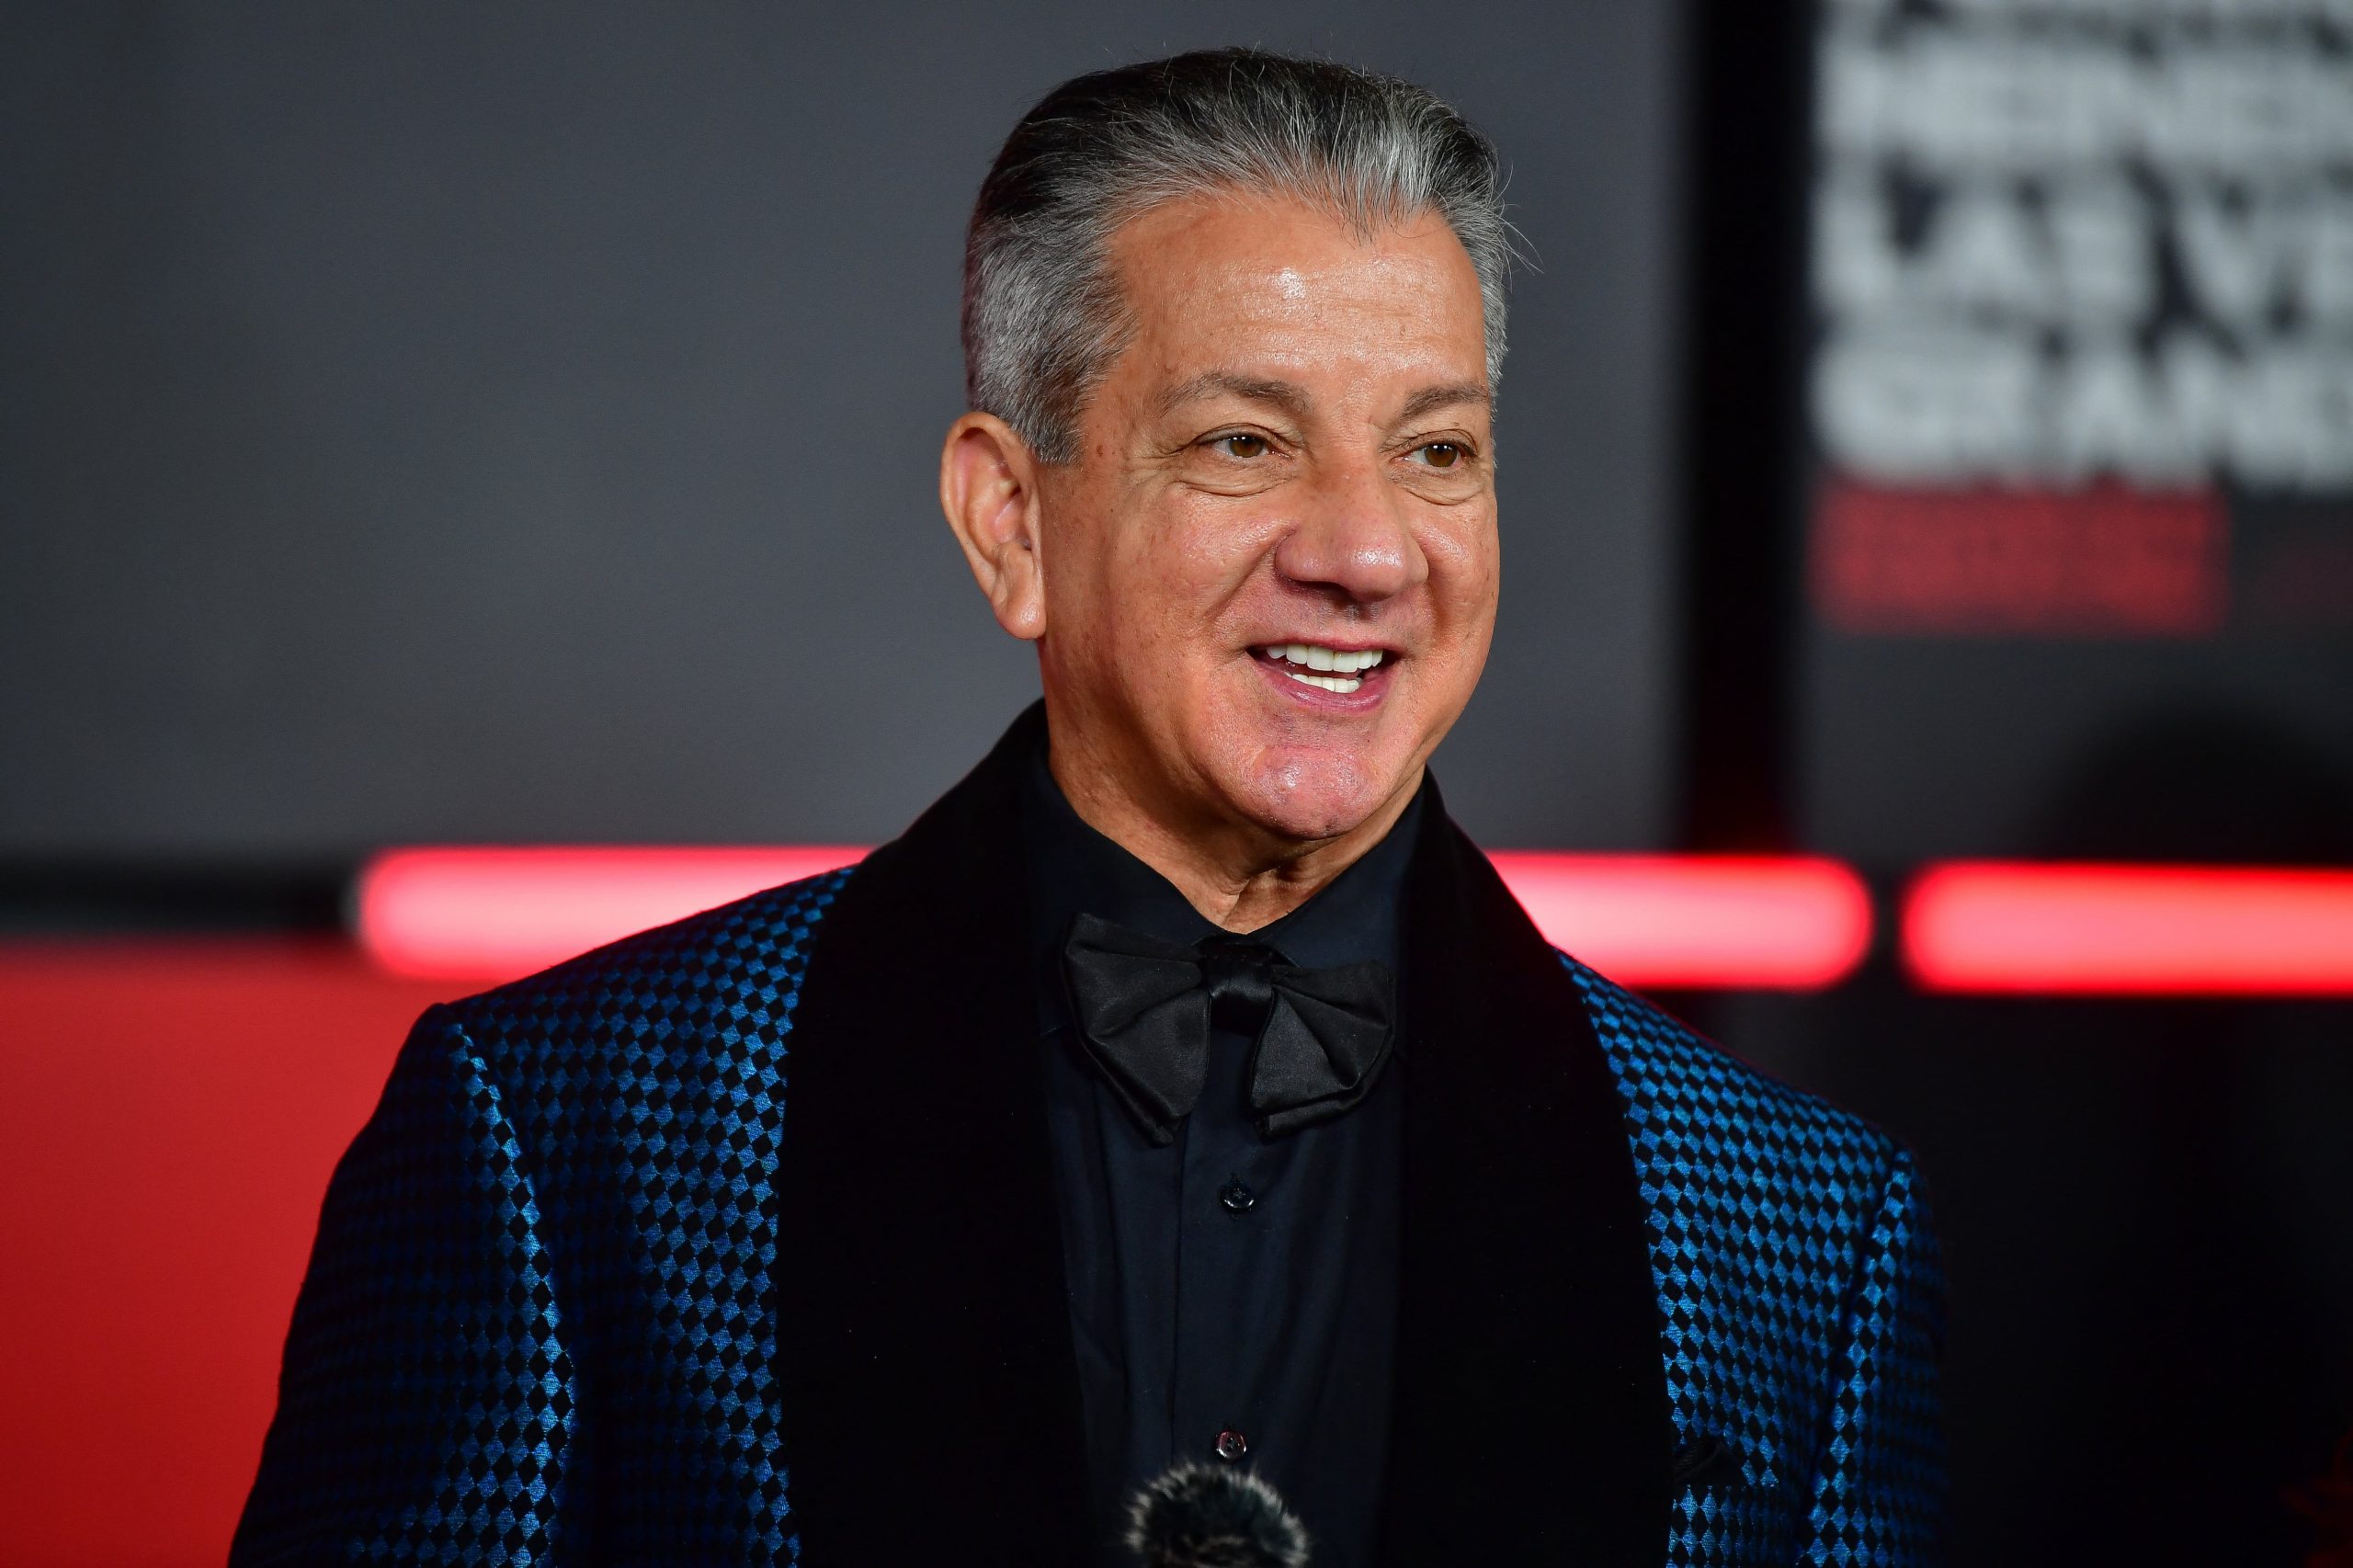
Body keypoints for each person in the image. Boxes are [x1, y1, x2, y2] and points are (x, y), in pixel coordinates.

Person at [233, 49, 1944, 1566]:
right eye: (1245, 443)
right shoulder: (573, 1137)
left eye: (1437, 451)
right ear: (1010, 522)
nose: (1367, 552)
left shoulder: (1792, 1224)